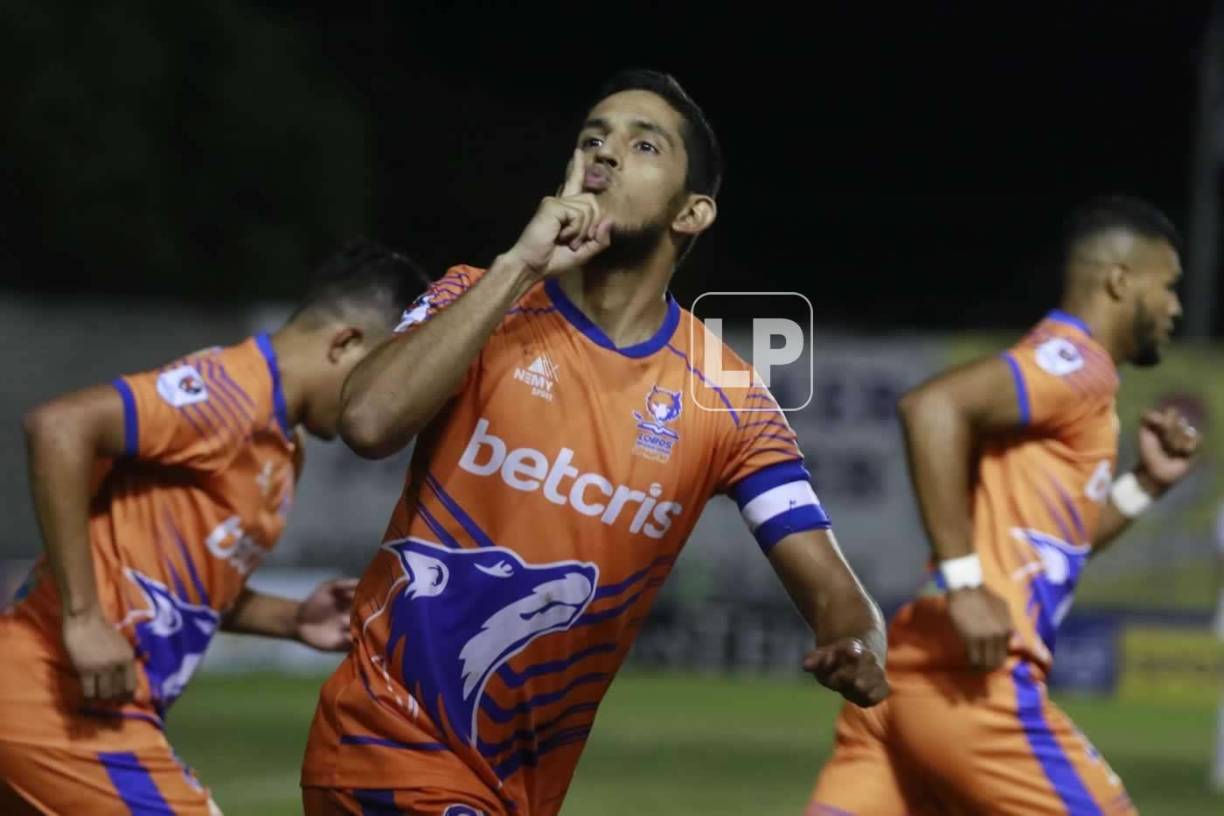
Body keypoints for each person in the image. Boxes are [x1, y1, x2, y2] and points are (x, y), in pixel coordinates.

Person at [300, 69, 890, 816]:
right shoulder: (477, 299)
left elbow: (835, 590)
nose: (605, 154)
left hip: (516, 789)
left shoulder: (732, 398)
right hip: (385, 750)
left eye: (643, 145)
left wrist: (859, 644)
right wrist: (518, 268)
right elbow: (369, 423)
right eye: (592, 138)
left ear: (692, 212)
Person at [0, 240, 429, 814]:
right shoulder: (232, 392)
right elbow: (59, 427)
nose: (391, 401)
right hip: (60, 705)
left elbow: (175, 582)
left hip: (77, 708)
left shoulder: (281, 444)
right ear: (345, 343)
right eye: (387, 374)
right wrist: (82, 618)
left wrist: (290, 618)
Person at [808, 196, 1202, 815]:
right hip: (975, 686)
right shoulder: (1073, 365)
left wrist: (1146, 484)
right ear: (1122, 280)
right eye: (1170, 286)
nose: (1176, 306)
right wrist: (965, 582)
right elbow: (932, 407)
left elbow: (1058, 541)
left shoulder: (1075, 384)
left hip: (904, 682)